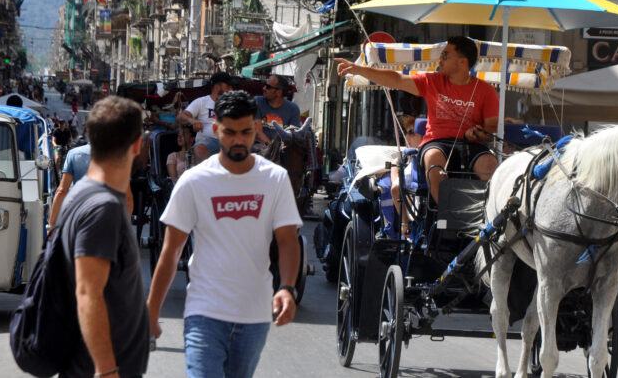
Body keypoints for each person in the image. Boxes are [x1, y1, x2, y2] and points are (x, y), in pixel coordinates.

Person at [147, 90, 301, 378]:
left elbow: (287, 240)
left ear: (256, 127)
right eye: (230, 132)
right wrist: (152, 311)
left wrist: (287, 288)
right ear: (216, 129)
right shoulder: (194, 181)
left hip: (254, 315)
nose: (239, 140)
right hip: (204, 313)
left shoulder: (275, 179)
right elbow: (170, 251)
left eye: (246, 131)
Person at [335, 36, 499, 203]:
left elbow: (491, 129)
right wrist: (358, 69)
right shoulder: (432, 81)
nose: (440, 59)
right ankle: (447, 214)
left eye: (445, 55)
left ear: (462, 62)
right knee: (434, 160)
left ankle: (487, 214)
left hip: (471, 144)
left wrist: (478, 133)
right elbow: (397, 80)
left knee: (490, 164)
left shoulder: (486, 91)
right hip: (437, 142)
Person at [54, 96, 148, 378]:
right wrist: (106, 369)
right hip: (99, 362)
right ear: (136, 144)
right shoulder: (103, 207)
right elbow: (88, 293)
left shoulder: (83, 195)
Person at [177, 72, 233, 164]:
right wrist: (192, 121)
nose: (231, 89)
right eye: (228, 86)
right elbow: (180, 117)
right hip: (208, 141)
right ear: (217, 87)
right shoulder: (201, 102)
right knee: (199, 150)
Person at [48, 143, 92, 231]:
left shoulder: (74, 154)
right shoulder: (117, 155)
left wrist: (52, 225)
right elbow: (127, 198)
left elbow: (62, 191)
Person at [254, 74, 301, 144]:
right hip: (260, 148)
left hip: (281, 150)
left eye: (268, 87)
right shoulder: (257, 102)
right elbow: (257, 132)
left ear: (279, 92)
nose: (264, 88)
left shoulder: (293, 109)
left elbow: (293, 135)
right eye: (264, 85)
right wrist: (272, 149)